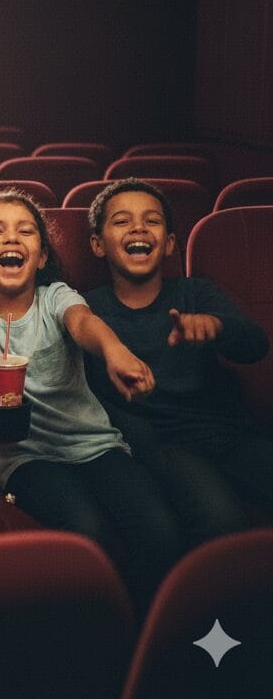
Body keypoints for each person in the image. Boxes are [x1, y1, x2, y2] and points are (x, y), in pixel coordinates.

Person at [0, 189, 182, 611]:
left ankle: (145, 628)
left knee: (160, 531)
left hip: (95, 444)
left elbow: (83, 323)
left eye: (26, 231)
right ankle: (97, 635)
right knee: (87, 529)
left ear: (42, 256)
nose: (12, 238)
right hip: (25, 458)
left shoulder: (56, 296)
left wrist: (115, 351)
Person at [85, 178, 272, 543]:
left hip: (229, 433)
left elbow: (255, 345)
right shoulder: (87, 310)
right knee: (222, 518)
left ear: (170, 243)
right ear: (97, 244)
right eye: (122, 221)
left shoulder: (195, 293)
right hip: (162, 444)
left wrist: (217, 327)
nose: (138, 227)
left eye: (151, 221)